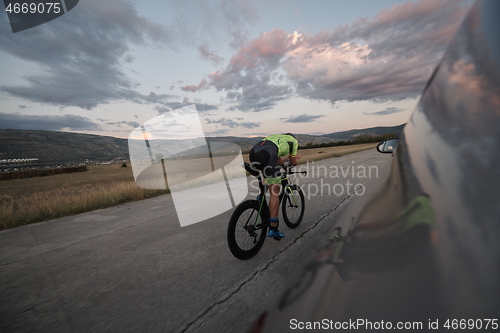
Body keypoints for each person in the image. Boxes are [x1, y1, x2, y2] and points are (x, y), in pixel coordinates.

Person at [249, 133, 300, 239]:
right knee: (275, 192)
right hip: (267, 155)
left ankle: (260, 199)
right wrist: (293, 161)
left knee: (269, 178)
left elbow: (277, 160)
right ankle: (273, 228)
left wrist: (282, 161)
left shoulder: (276, 138)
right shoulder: (294, 141)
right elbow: (293, 162)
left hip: (254, 153)